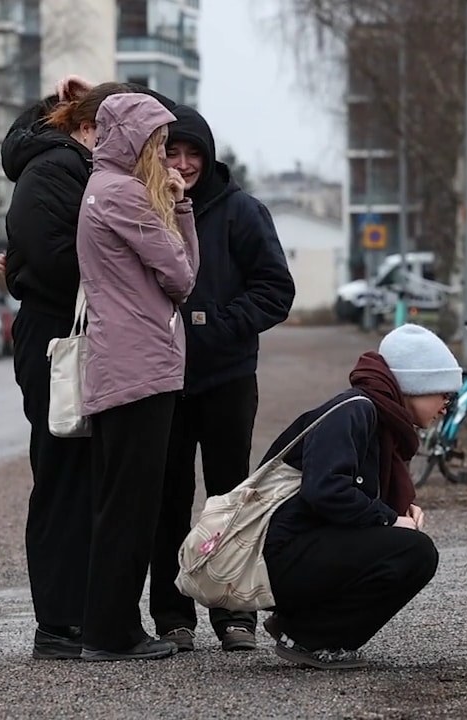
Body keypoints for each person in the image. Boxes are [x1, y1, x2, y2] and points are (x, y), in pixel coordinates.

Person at [147, 105, 296, 653]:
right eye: (172, 153)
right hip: (160, 382)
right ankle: (170, 614)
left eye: (193, 154)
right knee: (166, 499)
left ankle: (235, 614)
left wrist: (216, 327)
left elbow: (275, 290)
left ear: (208, 159)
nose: (183, 164)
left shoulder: (242, 212)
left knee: (232, 497)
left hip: (227, 378)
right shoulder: (144, 208)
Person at [0, 79, 131, 660]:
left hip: (77, 330)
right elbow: (53, 256)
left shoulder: (69, 167)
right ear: (88, 128)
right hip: (60, 334)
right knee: (64, 476)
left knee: (86, 475)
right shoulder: (57, 169)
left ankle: (83, 616)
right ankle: (60, 622)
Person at [75, 92, 200, 661]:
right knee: (131, 505)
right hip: (138, 366)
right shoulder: (123, 194)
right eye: (157, 142)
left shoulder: (105, 190)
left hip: (127, 364)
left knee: (120, 501)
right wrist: (176, 208)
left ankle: (111, 627)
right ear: (133, 139)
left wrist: (180, 210)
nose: (168, 159)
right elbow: (181, 275)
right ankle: (112, 633)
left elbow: (180, 272)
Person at [257, 323, 457, 669]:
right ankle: (310, 637)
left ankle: (301, 626)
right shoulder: (354, 411)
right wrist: (389, 519)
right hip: (278, 556)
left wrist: (396, 512)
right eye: (443, 394)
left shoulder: (380, 419)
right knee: (415, 553)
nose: (446, 406)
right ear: (414, 385)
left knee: (409, 548)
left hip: (302, 549)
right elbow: (325, 491)